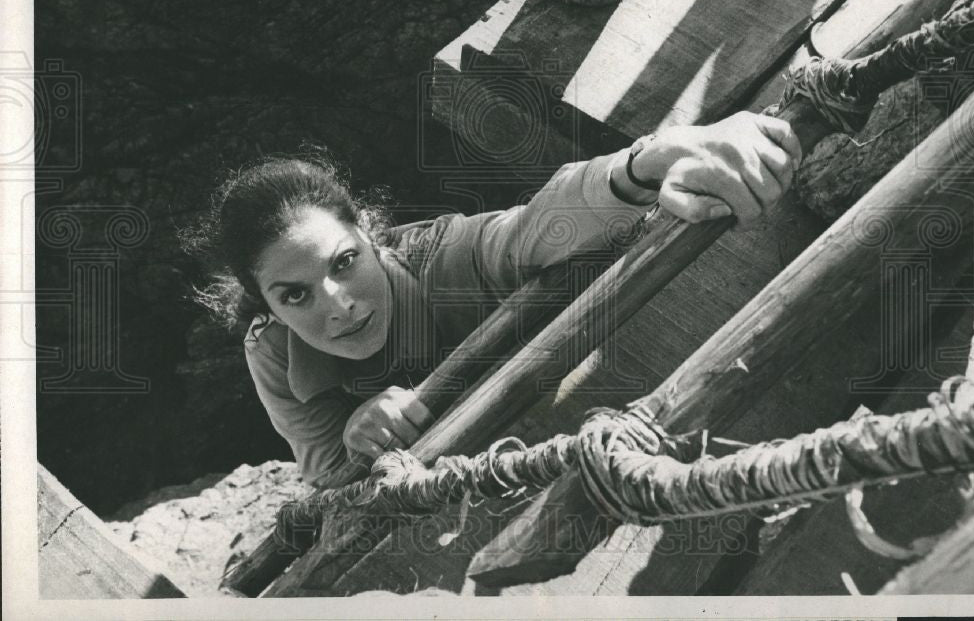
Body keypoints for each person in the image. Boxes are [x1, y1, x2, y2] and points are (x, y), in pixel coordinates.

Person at [185, 111, 801, 487]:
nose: (338, 305)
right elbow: (321, 467)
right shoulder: (270, 351)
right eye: (295, 295)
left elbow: (533, 228)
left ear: (371, 236)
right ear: (265, 306)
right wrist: (356, 432)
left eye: (345, 262)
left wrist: (646, 162)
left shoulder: (446, 257)